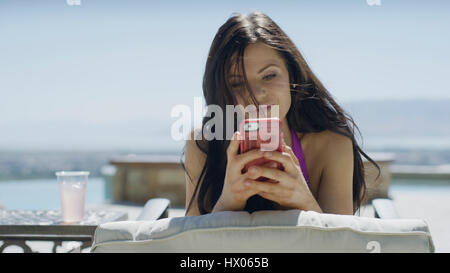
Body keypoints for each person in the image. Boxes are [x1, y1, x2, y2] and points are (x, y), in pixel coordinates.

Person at [182, 11, 379, 216]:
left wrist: (305, 201)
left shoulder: (331, 144)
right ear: (221, 92)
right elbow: (190, 245)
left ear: (291, 74)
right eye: (237, 83)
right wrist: (228, 201)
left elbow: (342, 246)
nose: (257, 94)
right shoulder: (204, 144)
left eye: (269, 75)